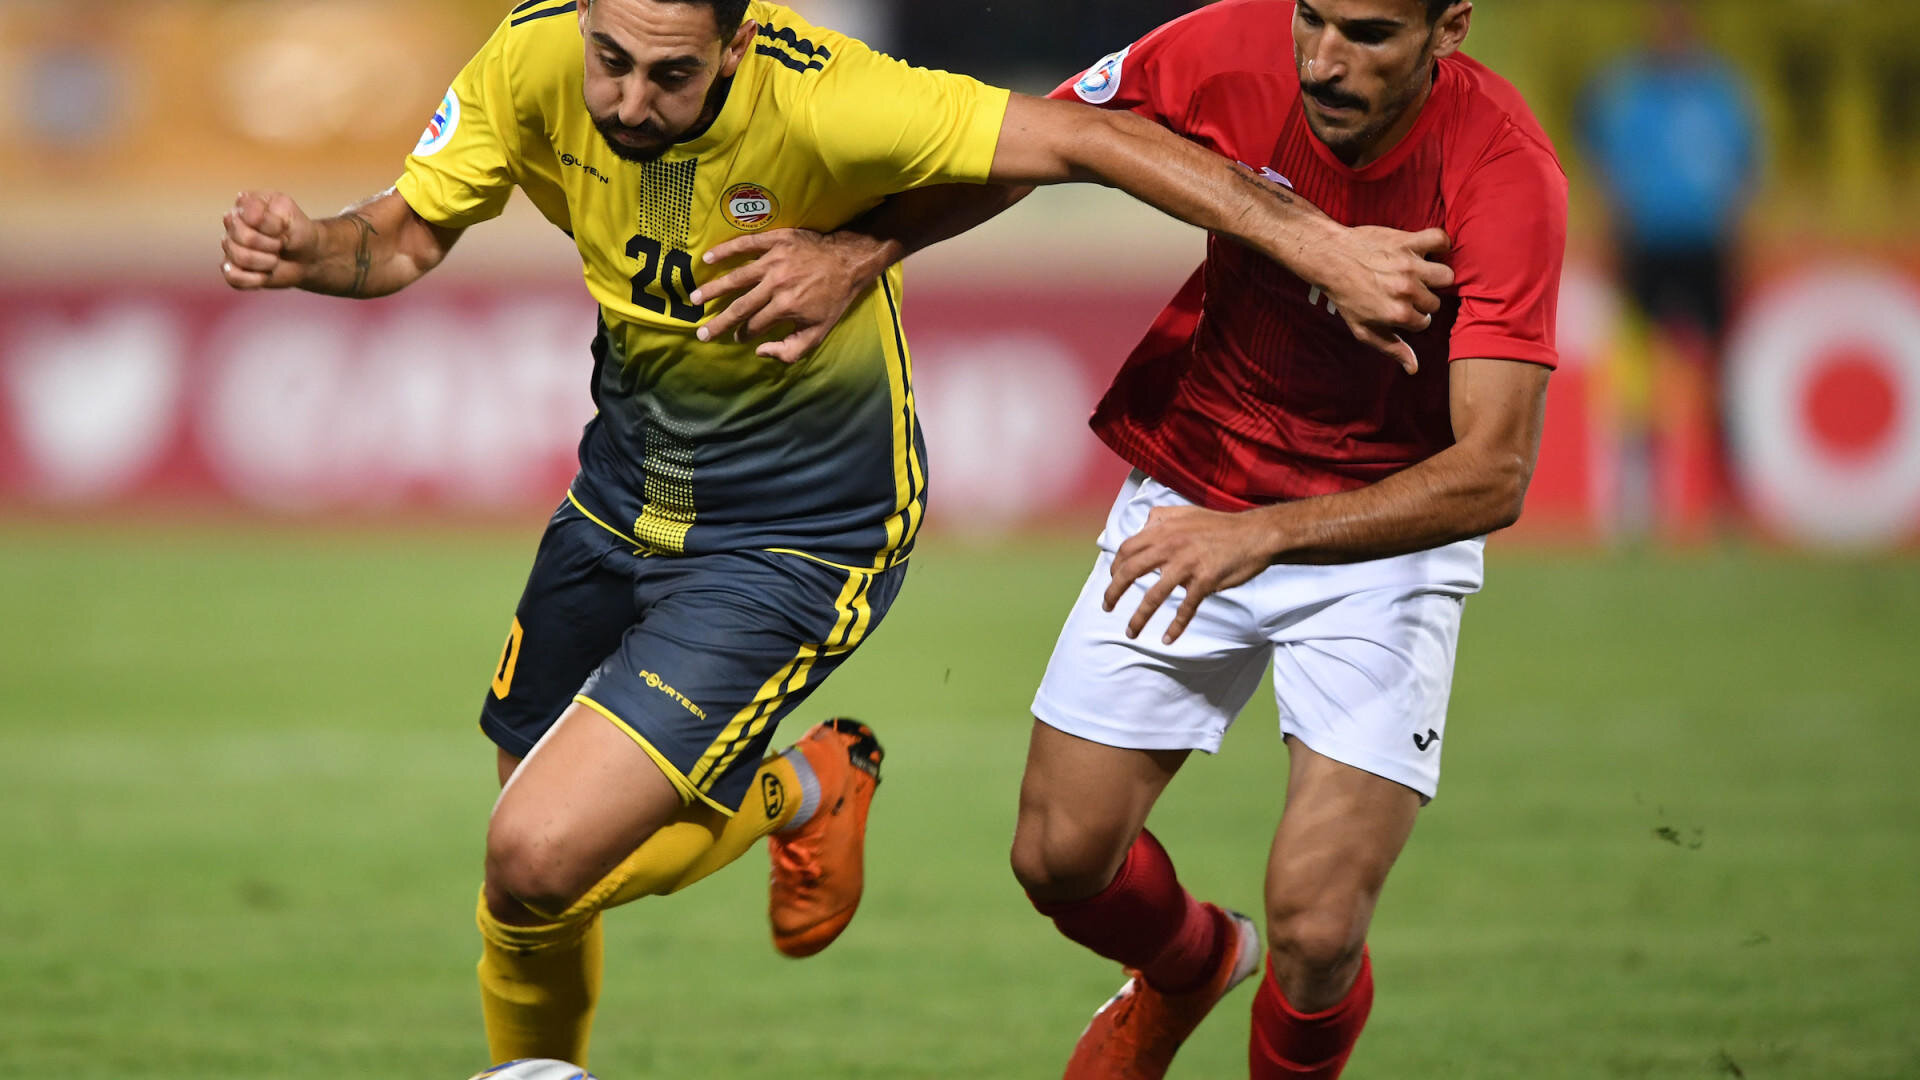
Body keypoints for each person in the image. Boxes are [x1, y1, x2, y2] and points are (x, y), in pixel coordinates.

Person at [217, 0, 1451, 1069]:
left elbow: (1089, 137)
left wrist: (1318, 247)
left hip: (798, 534)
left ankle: (789, 803)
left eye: (671, 73)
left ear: (736, 46)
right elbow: (406, 234)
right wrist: (312, 248)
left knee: (534, 857)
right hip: (621, 495)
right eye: (611, 61)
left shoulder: (832, 96)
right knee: (533, 851)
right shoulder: (529, 56)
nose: (630, 101)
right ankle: (783, 809)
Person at [696, 0, 1566, 1075]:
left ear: (1450, 29)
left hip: (1378, 543)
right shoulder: (1222, 48)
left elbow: (1493, 471)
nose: (1325, 61)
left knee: (1316, 927)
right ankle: (1191, 965)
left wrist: (1264, 538)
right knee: (1058, 858)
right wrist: (862, 250)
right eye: (1312, 19)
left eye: (1370, 34)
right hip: (1197, 490)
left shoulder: (1504, 171)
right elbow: (1037, 145)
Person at [1580, 0, 1759, 533]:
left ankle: (1726, 501)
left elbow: (1745, 167)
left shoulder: (1721, 91)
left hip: (1705, 246)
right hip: (1647, 248)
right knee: (1639, 375)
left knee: (1719, 376)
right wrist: (1614, 232)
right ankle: (1638, 501)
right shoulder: (1630, 92)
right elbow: (1606, 167)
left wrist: (1736, 231)